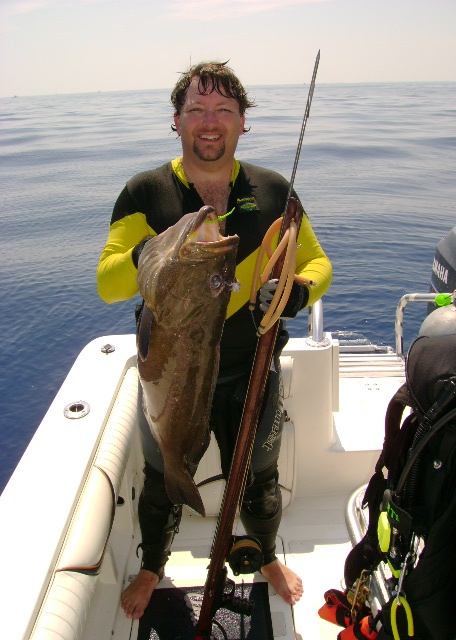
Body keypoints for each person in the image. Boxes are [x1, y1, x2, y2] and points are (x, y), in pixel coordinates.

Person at [96, 60, 332, 620]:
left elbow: (318, 261)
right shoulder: (145, 193)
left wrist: (298, 291)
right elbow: (108, 282)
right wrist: (158, 253)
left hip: (253, 370)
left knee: (260, 474)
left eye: (224, 110)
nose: (210, 121)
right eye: (197, 109)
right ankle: (154, 561)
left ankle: (267, 554)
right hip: (170, 376)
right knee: (163, 473)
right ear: (175, 121)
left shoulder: (273, 189)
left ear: (242, 122)